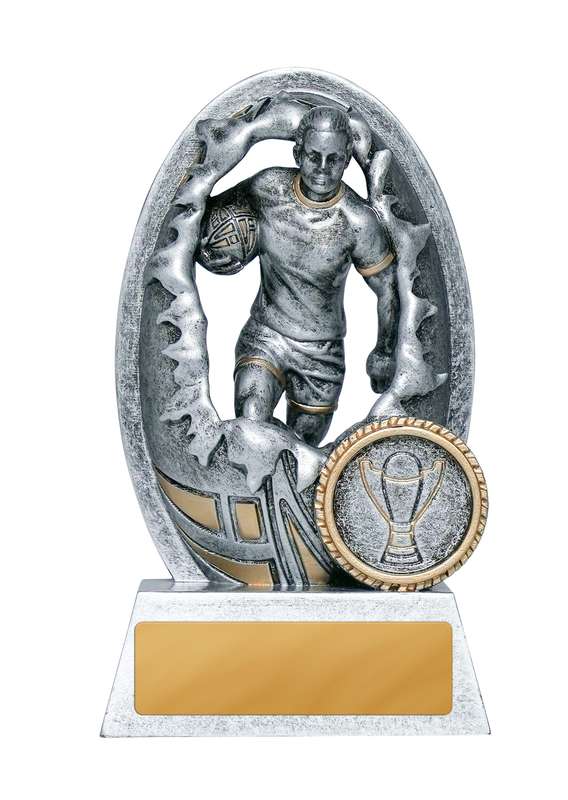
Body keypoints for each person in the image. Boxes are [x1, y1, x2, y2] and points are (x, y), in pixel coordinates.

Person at [209, 105, 397, 446]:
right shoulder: (267, 188)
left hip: (321, 355)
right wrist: (211, 250)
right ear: (297, 153)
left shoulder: (359, 222)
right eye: (313, 156)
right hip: (266, 336)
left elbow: (387, 289)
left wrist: (384, 351)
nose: (322, 169)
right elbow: (209, 216)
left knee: (301, 450)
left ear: (346, 160)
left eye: (333, 159)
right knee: (251, 424)